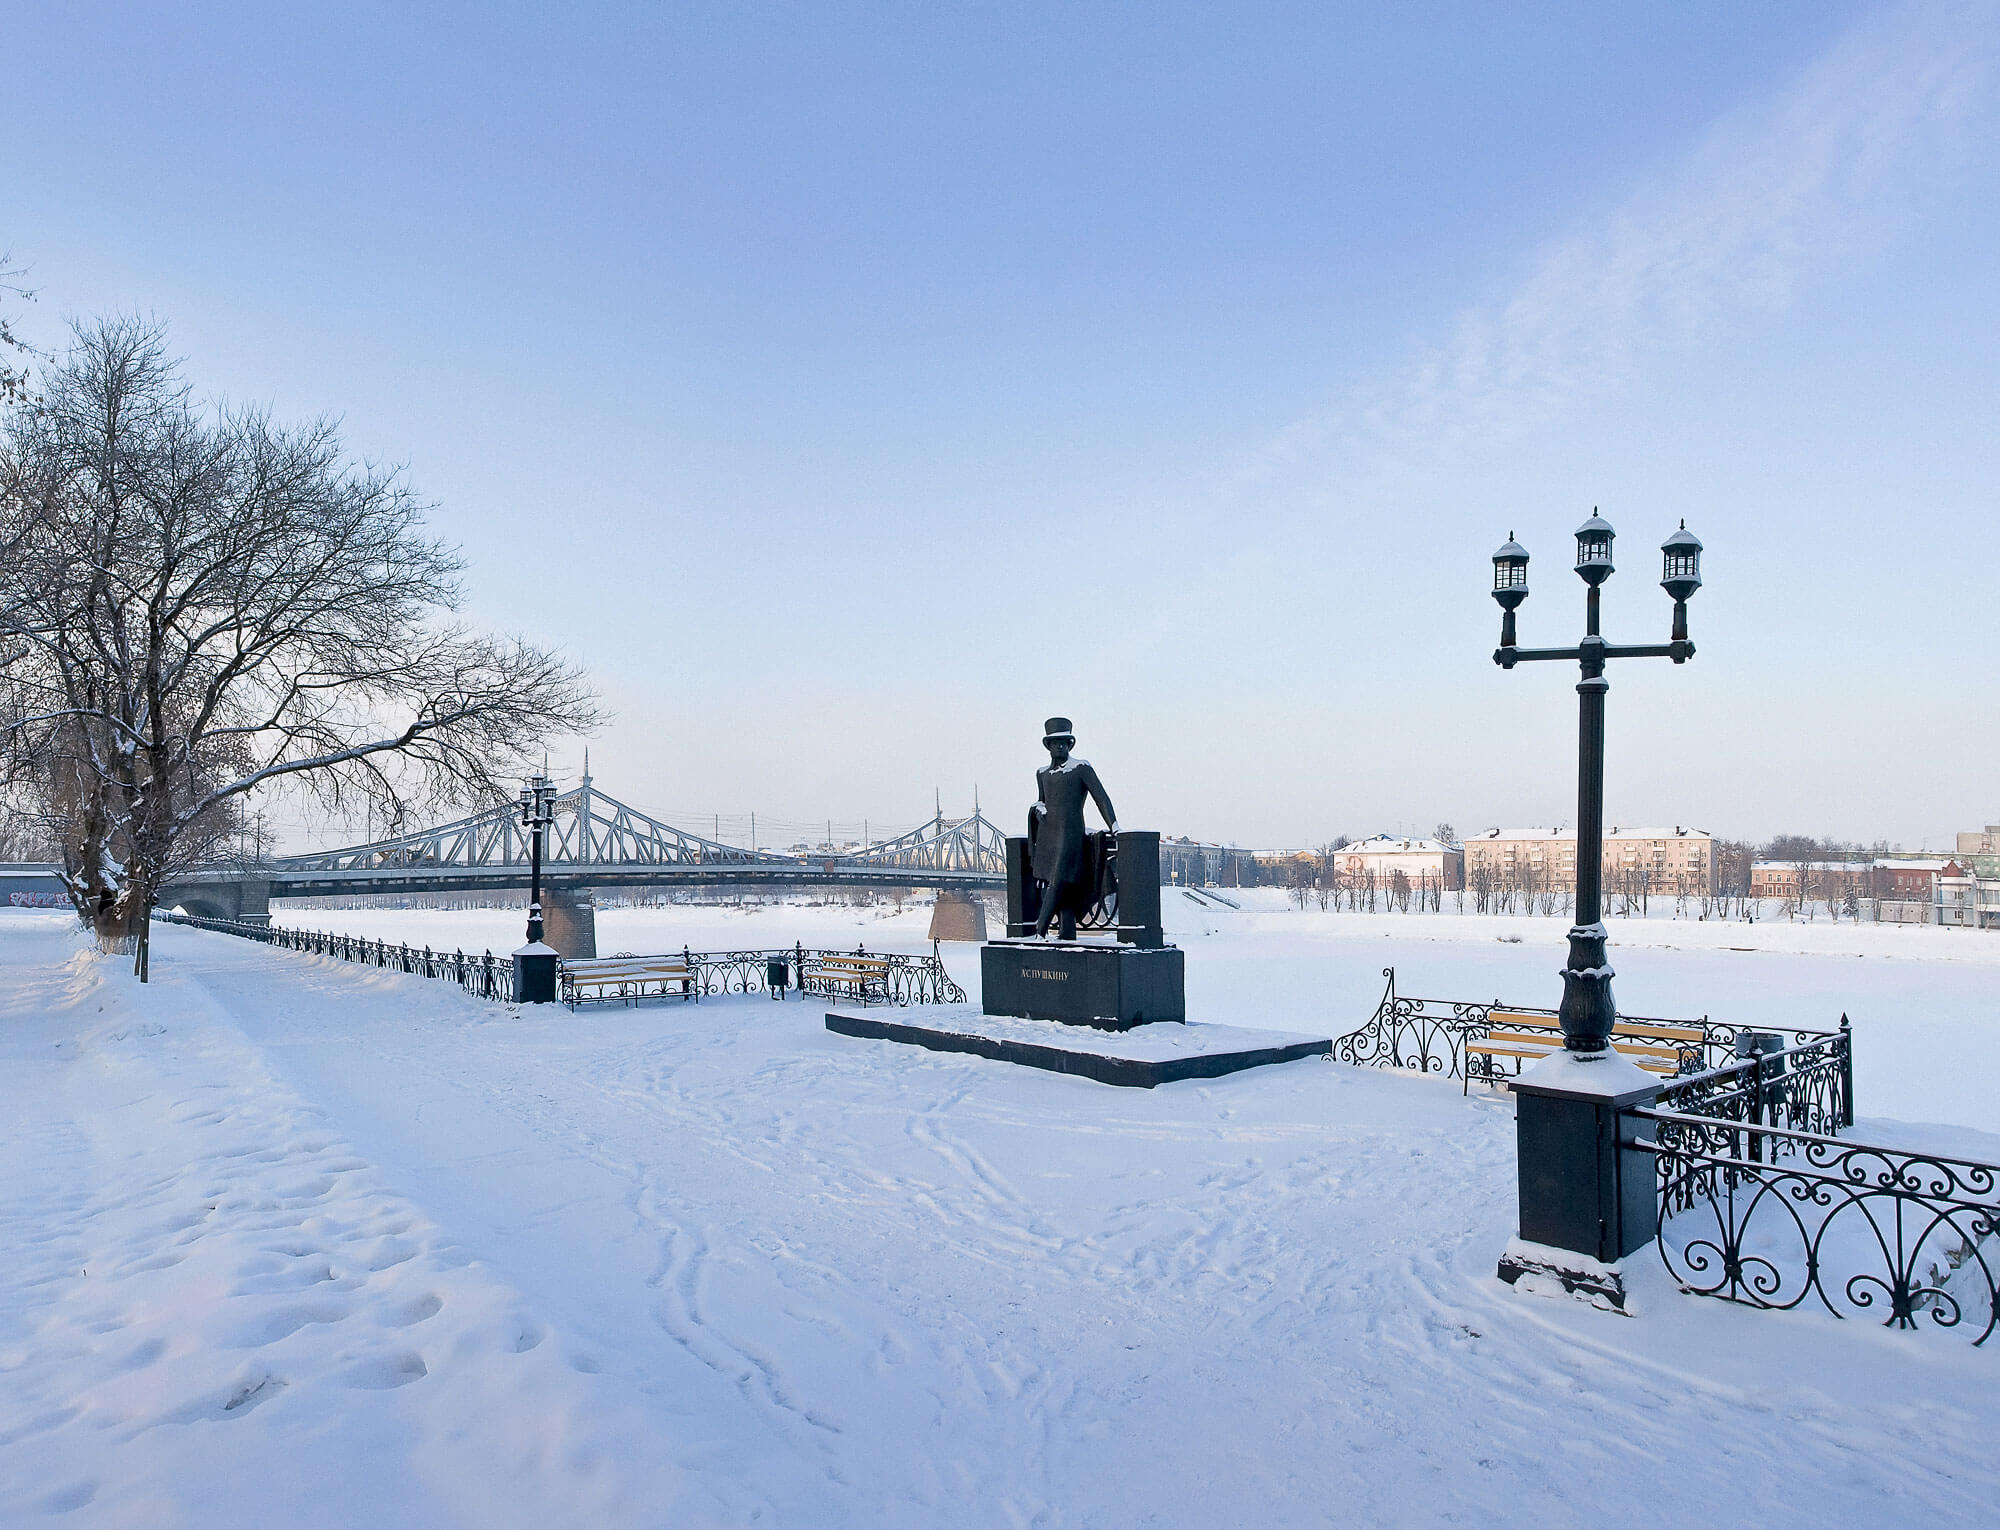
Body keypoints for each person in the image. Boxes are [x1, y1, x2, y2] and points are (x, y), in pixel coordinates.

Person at [1028, 717, 1118, 938]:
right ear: (1048, 746)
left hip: (1071, 834)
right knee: (1054, 883)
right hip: (1049, 834)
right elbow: (1042, 799)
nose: (1060, 746)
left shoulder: (1081, 768)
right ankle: (1065, 933)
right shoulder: (1042, 773)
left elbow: (1101, 798)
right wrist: (1037, 809)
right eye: (1055, 743)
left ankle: (1039, 930)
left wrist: (1114, 826)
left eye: (1064, 742)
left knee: (1059, 879)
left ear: (1070, 744)